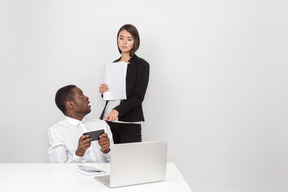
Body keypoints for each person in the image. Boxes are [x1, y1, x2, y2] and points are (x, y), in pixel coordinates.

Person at [99, 24, 149, 144]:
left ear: (135, 42)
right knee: (109, 160)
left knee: (131, 160)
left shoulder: (142, 65)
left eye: (129, 39)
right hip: (108, 120)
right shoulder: (113, 64)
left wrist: (117, 110)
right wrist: (103, 91)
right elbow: (112, 95)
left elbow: (138, 97)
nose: (124, 42)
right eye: (121, 38)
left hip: (129, 123)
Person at [48, 85, 113, 163]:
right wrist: (79, 153)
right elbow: (59, 169)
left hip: (107, 174)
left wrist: (107, 151)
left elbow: (118, 162)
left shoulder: (102, 124)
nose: (87, 97)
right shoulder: (56, 131)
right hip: (77, 175)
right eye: (81, 95)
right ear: (71, 105)